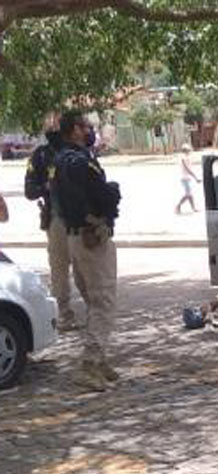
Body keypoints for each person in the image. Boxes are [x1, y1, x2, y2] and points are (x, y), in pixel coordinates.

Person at [54, 110, 121, 391]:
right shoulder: (81, 162)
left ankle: (100, 358)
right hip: (91, 236)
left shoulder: (58, 160)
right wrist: (113, 192)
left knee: (94, 299)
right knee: (103, 300)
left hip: (73, 236)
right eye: (84, 126)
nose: (89, 130)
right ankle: (90, 363)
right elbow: (101, 194)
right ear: (73, 130)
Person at [25, 126, 83, 331]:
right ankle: (65, 314)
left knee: (84, 266)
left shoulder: (78, 152)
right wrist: (47, 187)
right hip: (56, 218)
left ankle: (95, 310)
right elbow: (29, 190)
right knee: (59, 268)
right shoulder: (40, 155)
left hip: (80, 217)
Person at [175, 143, 200, 214]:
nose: (190, 151)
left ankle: (193, 208)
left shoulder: (186, 157)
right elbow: (187, 169)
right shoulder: (184, 158)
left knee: (190, 195)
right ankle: (178, 206)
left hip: (186, 178)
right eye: (188, 150)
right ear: (185, 150)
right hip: (184, 178)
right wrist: (195, 177)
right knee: (187, 194)